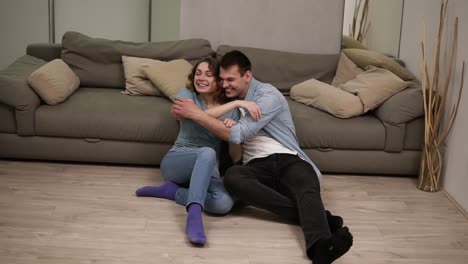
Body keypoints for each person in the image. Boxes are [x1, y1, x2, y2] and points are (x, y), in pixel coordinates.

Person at [171, 50, 353, 263]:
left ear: (247, 76)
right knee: (233, 177)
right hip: (256, 166)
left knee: (306, 186)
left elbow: (238, 133)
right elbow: (228, 143)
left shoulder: (268, 95)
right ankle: (320, 217)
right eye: (221, 80)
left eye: (231, 79)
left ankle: (320, 247)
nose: (225, 84)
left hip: (287, 158)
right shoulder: (228, 102)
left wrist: (196, 114)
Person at [135, 57, 261, 245]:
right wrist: (235, 104)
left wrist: (233, 134)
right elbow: (186, 114)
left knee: (223, 204)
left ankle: (173, 192)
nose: (201, 78)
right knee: (207, 152)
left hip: (209, 168)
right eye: (198, 73)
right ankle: (194, 217)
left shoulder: (231, 111)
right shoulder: (186, 94)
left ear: (219, 80)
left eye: (209, 75)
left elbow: (236, 157)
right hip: (177, 162)